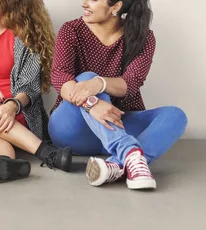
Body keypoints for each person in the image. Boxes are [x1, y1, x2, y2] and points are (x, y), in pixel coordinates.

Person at [49, 0, 187, 190]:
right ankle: (129, 152)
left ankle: (116, 165)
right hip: (73, 129)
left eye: (94, 0)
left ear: (116, 6)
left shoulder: (143, 37)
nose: (84, 3)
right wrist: (92, 103)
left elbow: (131, 82)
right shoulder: (71, 30)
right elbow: (59, 75)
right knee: (88, 78)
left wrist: (101, 83)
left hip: (116, 126)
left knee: (175, 115)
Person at [0, 0, 72, 183]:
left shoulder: (27, 28)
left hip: (19, 110)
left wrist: (10, 107)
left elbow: (30, 86)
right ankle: (43, 154)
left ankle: (8, 161)